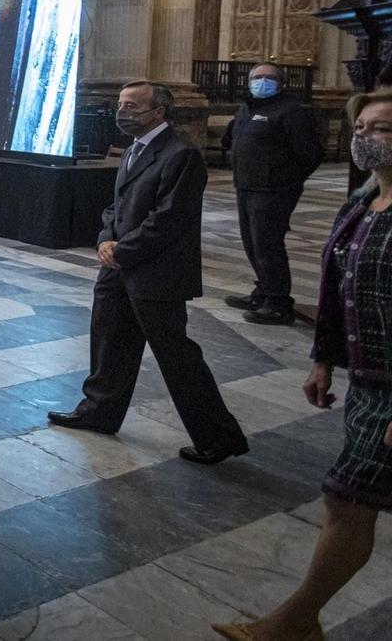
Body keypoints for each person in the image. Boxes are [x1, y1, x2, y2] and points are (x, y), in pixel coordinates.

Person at [212, 91, 392, 641]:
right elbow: (339, 289)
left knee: (349, 496)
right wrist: (323, 361)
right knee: (350, 500)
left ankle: (291, 624)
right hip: (368, 383)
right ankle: (297, 622)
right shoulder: (363, 201)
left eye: (382, 128)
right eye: (360, 127)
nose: (366, 137)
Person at [49, 81, 249, 465]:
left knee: (176, 357)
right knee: (110, 342)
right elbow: (117, 206)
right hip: (118, 267)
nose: (122, 112)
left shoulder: (181, 154)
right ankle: (99, 412)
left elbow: (169, 219)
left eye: (131, 106)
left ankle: (218, 437)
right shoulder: (133, 149)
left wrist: (122, 250)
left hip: (156, 271)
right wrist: (106, 239)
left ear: (158, 111)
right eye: (120, 104)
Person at [222, 62, 323, 326]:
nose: (262, 81)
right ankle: (264, 292)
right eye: (257, 77)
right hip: (247, 185)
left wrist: (285, 179)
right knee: (252, 243)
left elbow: (310, 153)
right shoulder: (247, 107)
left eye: (269, 77)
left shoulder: (291, 111)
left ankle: (279, 303)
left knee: (268, 245)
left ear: (281, 83)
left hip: (274, 189)